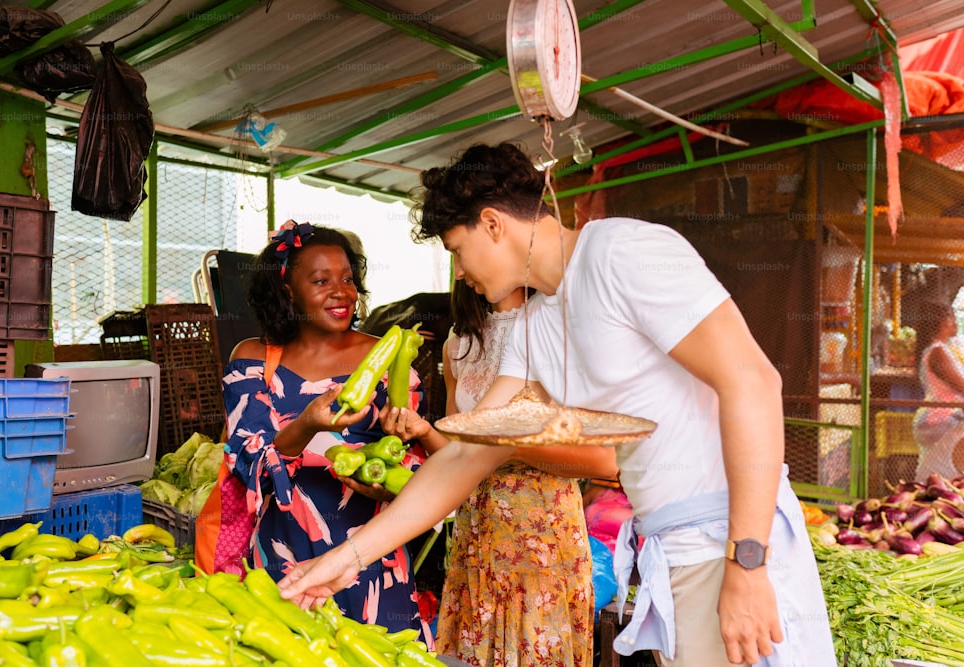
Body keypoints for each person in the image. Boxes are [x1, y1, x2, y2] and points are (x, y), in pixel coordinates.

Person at [278, 144, 836, 667]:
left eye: (458, 251)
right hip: (673, 550)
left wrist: (748, 561)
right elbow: (466, 455)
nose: (462, 274)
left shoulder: (621, 252)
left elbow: (753, 382)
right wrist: (343, 562)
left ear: (493, 225)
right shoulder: (533, 327)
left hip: (729, 540)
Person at [216, 220, 435, 640]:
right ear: (287, 291)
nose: (342, 293)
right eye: (321, 281)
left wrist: (397, 473)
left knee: (380, 652)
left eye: (348, 279)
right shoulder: (254, 360)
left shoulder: (388, 356)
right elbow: (247, 463)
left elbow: (415, 459)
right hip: (284, 554)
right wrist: (307, 424)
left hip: (372, 558)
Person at [432, 280, 615, 667]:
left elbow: (603, 462)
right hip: (475, 537)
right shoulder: (458, 342)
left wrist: (510, 444)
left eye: (461, 249)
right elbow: (456, 452)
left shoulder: (557, 329)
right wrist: (421, 433)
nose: (460, 268)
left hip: (541, 543)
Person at [911, 301, 964, 480]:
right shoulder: (938, 352)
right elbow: (962, 385)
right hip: (942, 419)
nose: (956, 322)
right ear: (941, 322)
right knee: (944, 475)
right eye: (952, 317)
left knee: (939, 473)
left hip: (942, 418)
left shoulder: (940, 349)